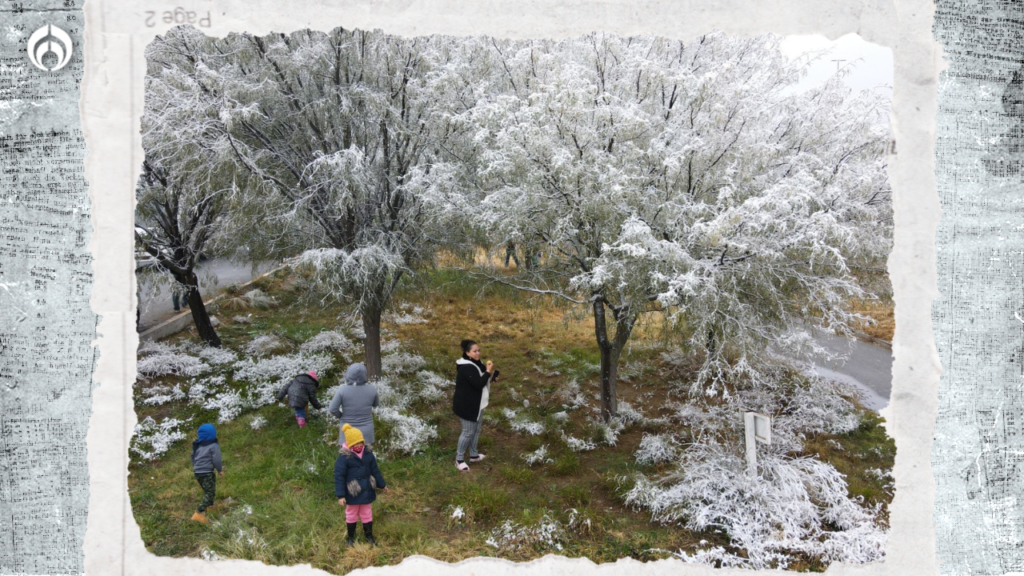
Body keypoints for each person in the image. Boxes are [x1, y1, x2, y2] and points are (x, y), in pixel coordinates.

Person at [335, 424, 388, 546]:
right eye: (355, 444)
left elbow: (375, 470)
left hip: (366, 490)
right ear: (350, 444)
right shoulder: (344, 458)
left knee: (366, 512)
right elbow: (339, 477)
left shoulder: (368, 454)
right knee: (351, 513)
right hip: (352, 492)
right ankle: (351, 538)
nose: (358, 446)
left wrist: (382, 485)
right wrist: (341, 495)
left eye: (360, 442)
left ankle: (369, 536)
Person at [452, 339, 497, 471]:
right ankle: (459, 459)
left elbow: (482, 376)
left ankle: (473, 455)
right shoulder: (466, 367)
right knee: (467, 432)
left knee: (476, 430)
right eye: (474, 351)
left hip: (477, 404)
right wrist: (488, 371)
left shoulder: (476, 363)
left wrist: (491, 377)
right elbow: (478, 384)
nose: (478, 353)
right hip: (467, 405)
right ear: (467, 353)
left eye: (479, 350)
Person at [328, 363, 379, 447]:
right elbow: (376, 404)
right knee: (366, 457)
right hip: (366, 433)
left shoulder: (342, 390)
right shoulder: (372, 389)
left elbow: (332, 409)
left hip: (348, 431)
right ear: (364, 375)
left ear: (348, 375)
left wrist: (341, 416)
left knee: (348, 457)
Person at [190, 423, 224, 524]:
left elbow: (192, 456)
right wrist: (219, 470)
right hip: (207, 472)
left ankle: (210, 506)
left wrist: (197, 466)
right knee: (209, 492)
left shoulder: (198, 445)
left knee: (207, 489)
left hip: (197, 472)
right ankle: (198, 513)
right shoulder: (213, 445)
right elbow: (216, 459)